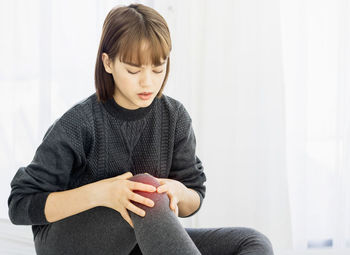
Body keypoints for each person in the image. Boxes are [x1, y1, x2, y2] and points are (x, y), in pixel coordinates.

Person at [8, 3, 274, 255]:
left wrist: (177, 192)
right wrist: (103, 193)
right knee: (143, 188)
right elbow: (19, 204)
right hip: (66, 241)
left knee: (252, 243)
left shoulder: (175, 117)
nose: (148, 82)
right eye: (134, 70)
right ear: (108, 63)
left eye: (158, 69)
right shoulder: (78, 124)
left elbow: (194, 195)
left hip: (138, 236)